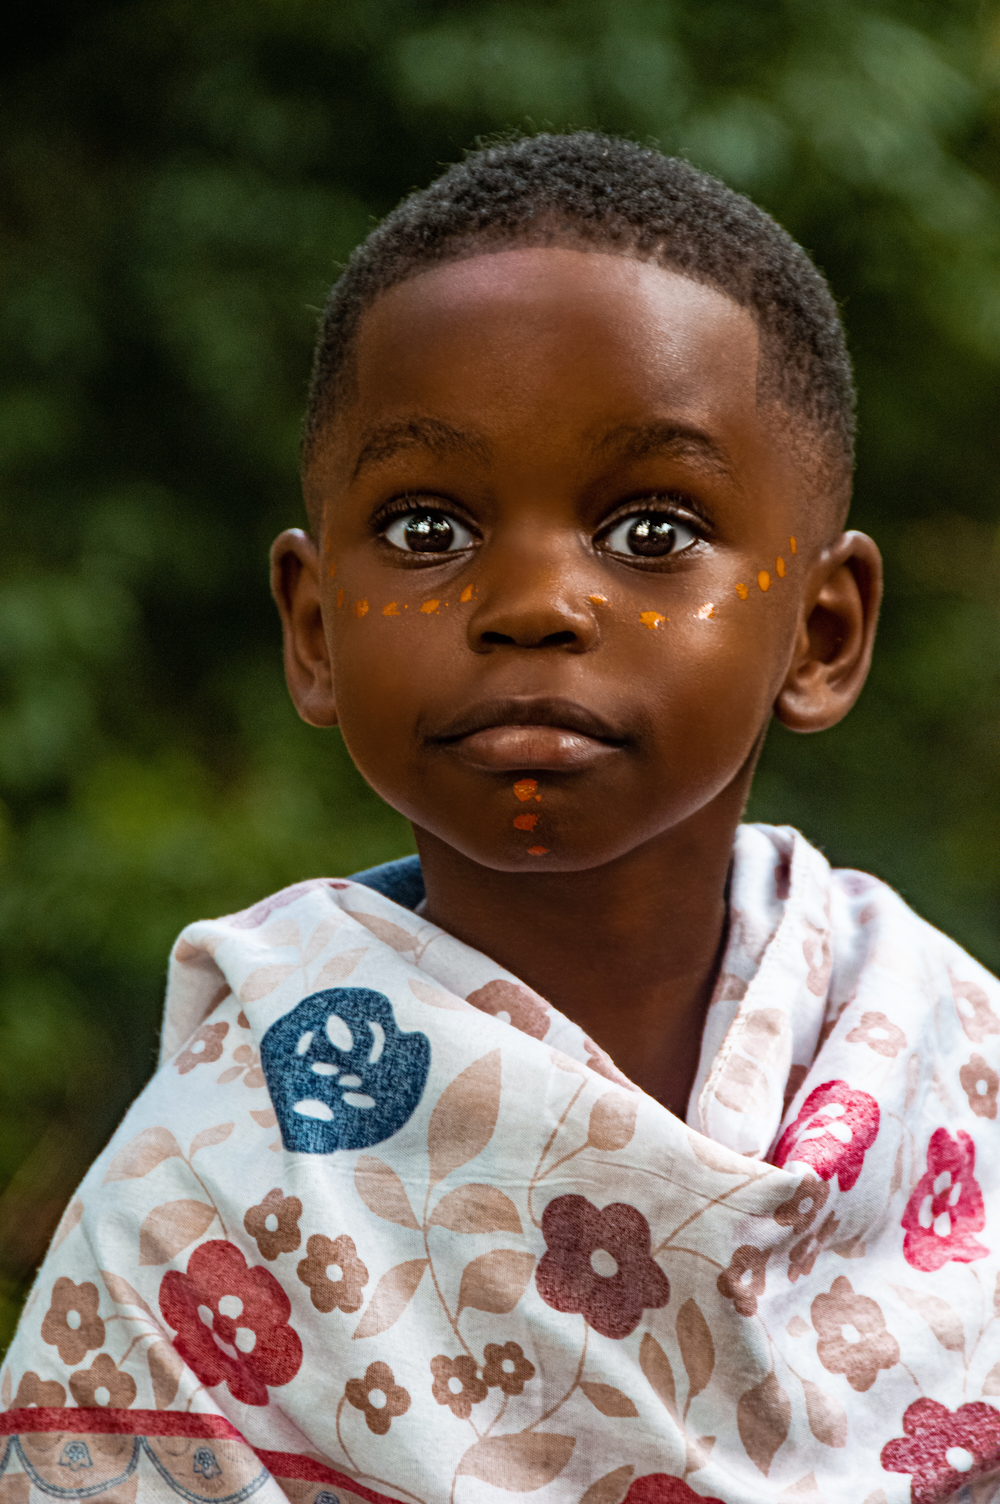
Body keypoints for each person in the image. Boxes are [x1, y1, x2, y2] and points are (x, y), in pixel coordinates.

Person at [3, 134, 999, 1504]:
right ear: (312, 629)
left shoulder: (960, 1083)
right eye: (426, 529)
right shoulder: (201, 1214)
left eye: (651, 531)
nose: (530, 600)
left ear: (820, 634)